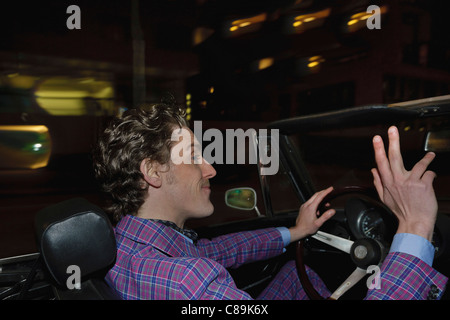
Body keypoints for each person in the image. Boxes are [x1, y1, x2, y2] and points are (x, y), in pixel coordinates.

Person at [93, 98, 447, 300]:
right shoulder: (189, 282)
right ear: (153, 172)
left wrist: (295, 231)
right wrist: (415, 227)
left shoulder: (125, 244)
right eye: (192, 156)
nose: (210, 168)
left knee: (296, 272)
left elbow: (221, 251)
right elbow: (201, 269)